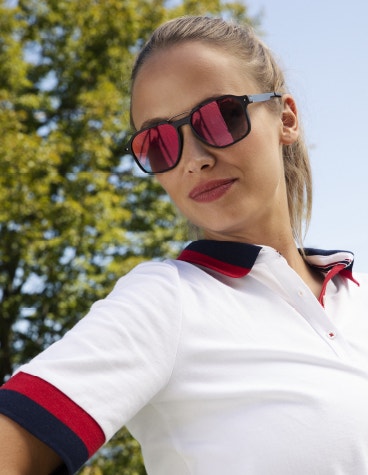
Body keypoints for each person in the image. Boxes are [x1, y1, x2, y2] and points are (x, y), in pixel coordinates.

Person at [0, 14, 367, 475]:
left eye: (220, 116)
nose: (193, 160)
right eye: (157, 142)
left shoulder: (358, 296)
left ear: (285, 118)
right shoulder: (165, 300)